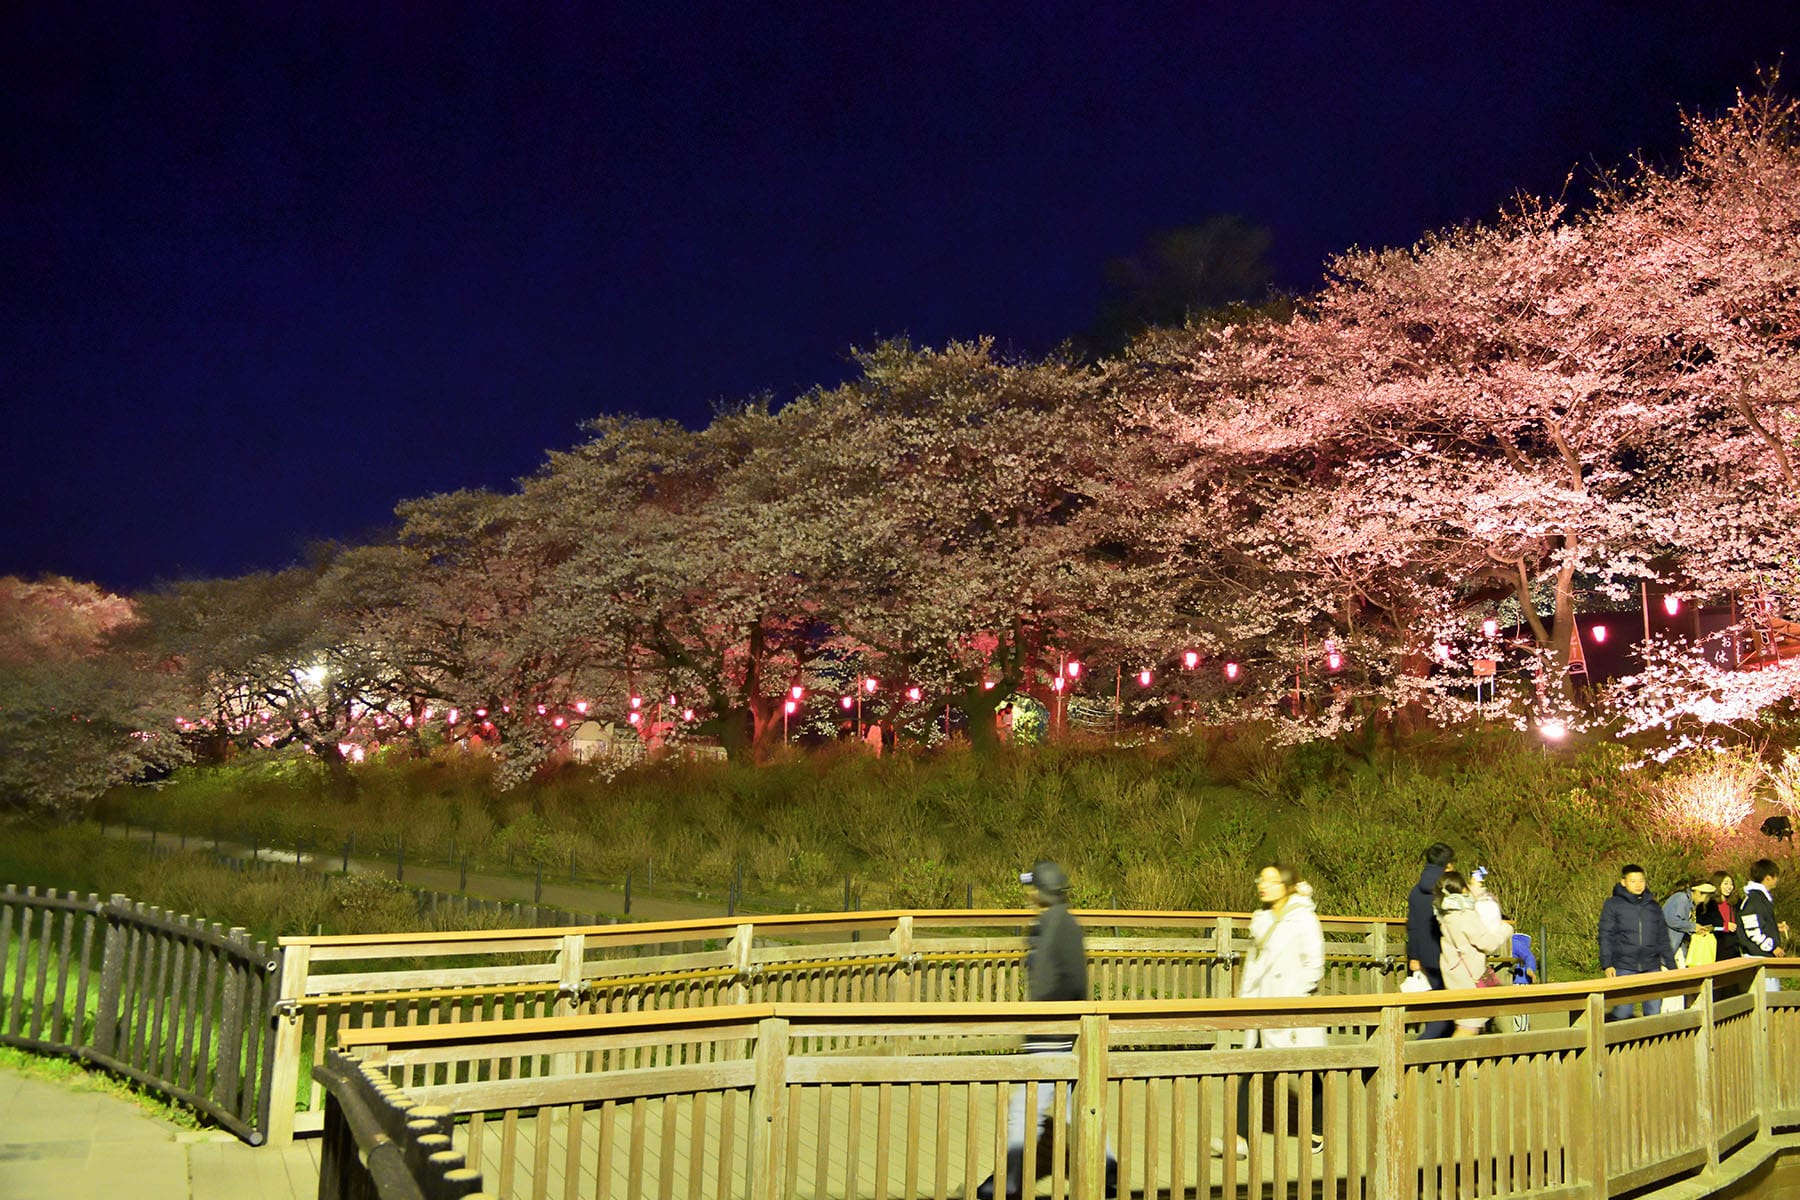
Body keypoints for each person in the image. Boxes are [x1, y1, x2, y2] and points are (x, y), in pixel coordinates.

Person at [976, 861, 1116, 1200]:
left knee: (1027, 1107)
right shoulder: (1058, 922)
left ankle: (1010, 1180)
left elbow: (1064, 981)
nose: (1027, 892)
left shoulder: (1054, 926)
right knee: (1074, 1106)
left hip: (1050, 1031)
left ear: (1041, 890)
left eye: (1031, 887)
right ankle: (1108, 1172)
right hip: (1060, 1028)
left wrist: (1045, 1022)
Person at [1212, 862, 1326, 1160]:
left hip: (1294, 1009)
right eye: (1261, 879)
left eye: (1271, 881)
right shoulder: (1261, 919)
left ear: (1287, 886)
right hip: (1264, 1007)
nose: (1263, 885)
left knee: (1309, 1068)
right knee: (1250, 1069)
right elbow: (1255, 966)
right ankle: (1238, 1138)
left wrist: (1292, 999)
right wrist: (1246, 1000)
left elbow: (1315, 964)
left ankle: (1317, 1129)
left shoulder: (1304, 918)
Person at [1435, 871, 1514, 1037]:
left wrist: (1474, 888)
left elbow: (1467, 902)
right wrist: (1505, 929)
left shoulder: (1446, 913)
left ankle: (1460, 1060)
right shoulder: (1465, 916)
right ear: (1462, 890)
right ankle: (1446, 1061)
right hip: (1469, 978)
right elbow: (1488, 944)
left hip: (1456, 973)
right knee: (1468, 1028)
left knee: (1470, 1024)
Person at [1598, 864, 1676, 1020]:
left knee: (1654, 1012)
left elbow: (1662, 937)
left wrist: (1671, 964)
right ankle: (1618, 1043)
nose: (1638, 885)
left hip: (1651, 965)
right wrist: (1607, 964)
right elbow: (1605, 935)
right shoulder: (1613, 905)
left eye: (1641, 880)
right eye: (1633, 881)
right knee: (1622, 1012)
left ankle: (1652, 1043)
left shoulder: (1653, 906)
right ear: (1623, 882)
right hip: (1624, 965)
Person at [1407, 842, 1456, 1039]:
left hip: (1426, 957)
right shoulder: (1448, 890)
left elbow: (1413, 927)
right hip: (1448, 955)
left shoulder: (1416, 891)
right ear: (1448, 866)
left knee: (1437, 1007)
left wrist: (1414, 956)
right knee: (1449, 1012)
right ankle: (1419, 1051)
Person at [1737, 859, 1790, 993]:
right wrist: (1772, 947)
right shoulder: (1755, 900)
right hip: (1758, 957)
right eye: (1775, 877)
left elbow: (1759, 923)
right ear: (1768, 878)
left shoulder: (1759, 899)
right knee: (1765, 1000)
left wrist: (1774, 927)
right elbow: (1753, 931)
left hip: (1763, 956)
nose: (1777, 880)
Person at [1661, 880, 1716, 967]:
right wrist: (1693, 927)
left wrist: (1696, 929)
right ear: (1698, 893)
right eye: (1706, 897)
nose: (1704, 901)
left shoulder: (1689, 902)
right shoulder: (1681, 899)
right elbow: (1671, 920)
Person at [1697, 871, 1741, 962]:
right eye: (1726, 883)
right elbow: (1705, 924)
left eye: (1731, 884)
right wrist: (1724, 926)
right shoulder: (1708, 904)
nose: (1729, 887)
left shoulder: (1736, 902)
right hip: (1716, 946)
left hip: (1734, 946)